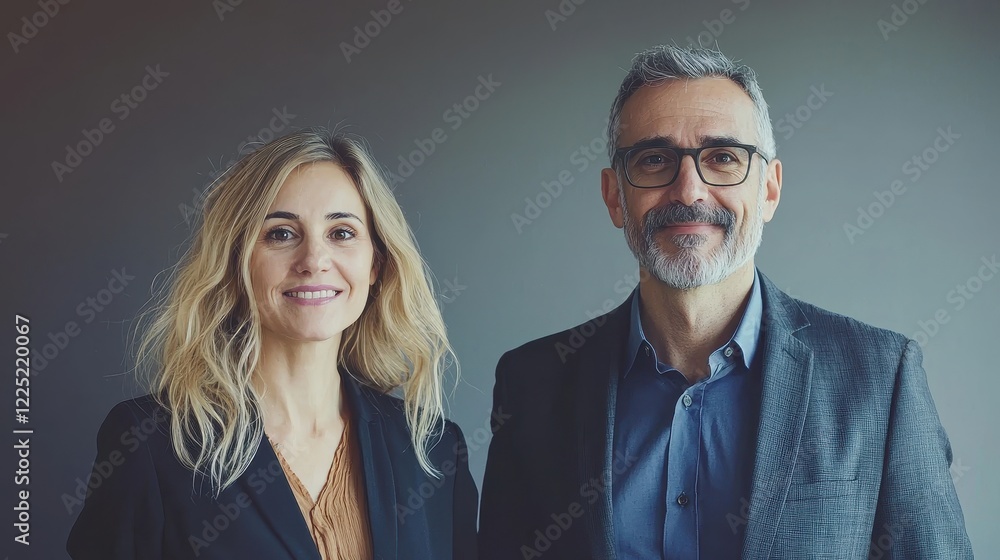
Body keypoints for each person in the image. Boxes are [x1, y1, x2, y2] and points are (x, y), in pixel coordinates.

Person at [477, 45, 973, 559]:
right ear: (613, 196)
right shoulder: (531, 384)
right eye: (653, 159)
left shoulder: (879, 380)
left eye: (723, 158)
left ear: (770, 190)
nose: (689, 190)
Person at [67, 128, 478, 559]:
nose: (314, 260)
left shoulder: (432, 447)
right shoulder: (151, 444)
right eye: (281, 233)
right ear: (235, 261)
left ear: (375, 262)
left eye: (341, 233)